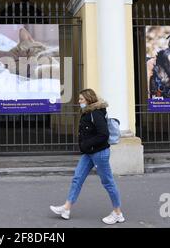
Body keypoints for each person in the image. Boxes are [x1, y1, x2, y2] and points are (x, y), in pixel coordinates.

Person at [50, 89, 125, 225]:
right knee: (77, 178)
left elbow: (104, 134)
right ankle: (66, 209)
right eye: (79, 99)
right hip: (89, 153)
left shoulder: (96, 113)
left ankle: (118, 213)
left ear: (89, 100)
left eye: (81, 99)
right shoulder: (88, 112)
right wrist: (86, 147)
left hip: (99, 153)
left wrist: (86, 144)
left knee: (108, 182)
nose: (79, 102)